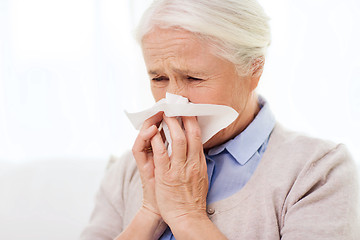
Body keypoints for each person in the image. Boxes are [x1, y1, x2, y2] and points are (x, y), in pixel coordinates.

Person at [80, 0, 359, 239]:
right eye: (159, 78)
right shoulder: (129, 171)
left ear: (253, 69)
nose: (174, 100)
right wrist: (149, 212)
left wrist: (188, 216)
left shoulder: (317, 171)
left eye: (193, 78)